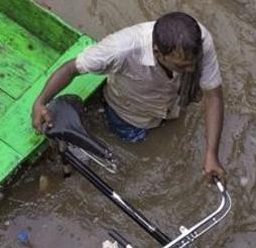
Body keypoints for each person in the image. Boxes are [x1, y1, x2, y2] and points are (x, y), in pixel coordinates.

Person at [30, 12, 226, 181]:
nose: (192, 69)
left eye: (194, 63)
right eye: (182, 66)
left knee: (173, 122)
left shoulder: (199, 41)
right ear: (158, 52)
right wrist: (40, 102)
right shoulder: (119, 50)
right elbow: (71, 68)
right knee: (135, 148)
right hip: (129, 115)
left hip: (173, 103)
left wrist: (211, 154)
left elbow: (213, 97)